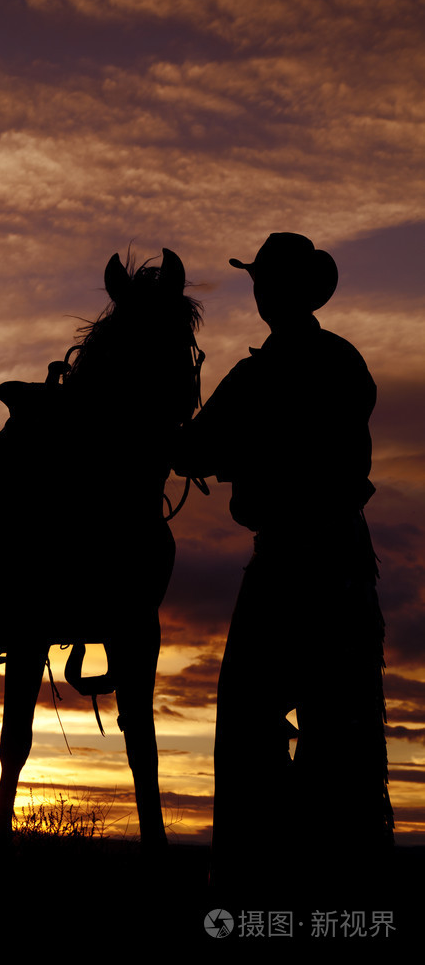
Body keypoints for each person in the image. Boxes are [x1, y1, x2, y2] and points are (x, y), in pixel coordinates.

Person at [174, 233, 393, 895]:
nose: (260, 291)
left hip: (286, 565)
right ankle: (348, 878)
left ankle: (250, 879)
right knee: (345, 730)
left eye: (265, 281)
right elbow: (333, 450)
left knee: (247, 723)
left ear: (276, 292)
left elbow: (192, 450)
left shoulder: (256, 377)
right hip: (348, 562)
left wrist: (227, 451)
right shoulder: (345, 362)